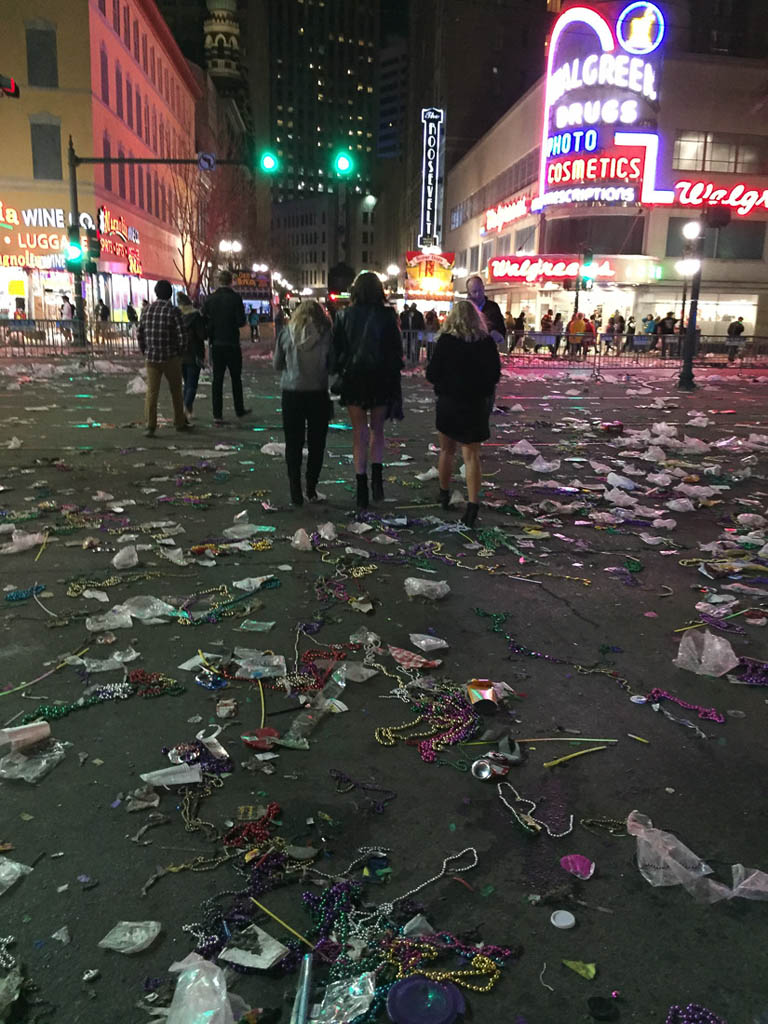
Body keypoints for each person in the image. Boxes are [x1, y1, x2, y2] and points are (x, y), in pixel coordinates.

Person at [331, 271, 403, 509]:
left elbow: (336, 350)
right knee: (378, 430)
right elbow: (395, 350)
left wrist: (340, 368)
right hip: (381, 377)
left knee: (359, 433)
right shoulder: (387, 315)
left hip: (354, 378)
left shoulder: (343, 316)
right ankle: (377, 481)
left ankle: (361, 486)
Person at [426, 300, 501, 529]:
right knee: (471, 456)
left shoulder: (446, 342)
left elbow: (432, 373)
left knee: (447, 451)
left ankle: (444, 493)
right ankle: (472, 505)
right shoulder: (486, 342)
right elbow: (495, 374)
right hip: (476, 403)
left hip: (449, 402)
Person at [274, 299, 333, 506]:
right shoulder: (326, 334)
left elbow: (276, 363)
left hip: (291, 392)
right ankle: (311, 487)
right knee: (317, 443)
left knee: (293, 443)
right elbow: (332, 363)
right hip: (318, 392)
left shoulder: (286, 332)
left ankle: (295, 490)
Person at [137, 280, 189, 438]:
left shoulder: (146, 310)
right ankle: (179, 422)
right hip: (170, 356)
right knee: (176, 391)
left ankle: (150, 425)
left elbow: (140, 334)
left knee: (152, 392)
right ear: (170, 294)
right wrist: (180, 352)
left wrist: (145, 350)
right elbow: (182, 335)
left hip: (152, 357)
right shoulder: (173, 311)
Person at [203, 270, 250, 425]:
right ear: (231, 281)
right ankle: (239, 408)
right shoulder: (235, 298)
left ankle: (217, 414)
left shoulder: (210, 299)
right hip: (232, 343)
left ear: (218, 281)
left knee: (217, 380)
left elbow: (204, 318)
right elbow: (241, 321)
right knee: (236, 378)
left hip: (216, 343)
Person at [177, 293, 206, 418]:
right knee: (192, 384)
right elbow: (202, 335)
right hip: (194, 353)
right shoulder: (196, 316)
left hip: (180, 353)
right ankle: (187, 406)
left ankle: (188, 409)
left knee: (186, 382)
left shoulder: (177, 316)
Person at [466, 275, 506, 349]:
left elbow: (502, 329)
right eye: (474, 291)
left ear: (483, 288)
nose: (478, 294)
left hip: (488, 349)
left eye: (480, 290)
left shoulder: (493, 307)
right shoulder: (465, 309)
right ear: (469, 293)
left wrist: (498, 334)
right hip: (469, 350)